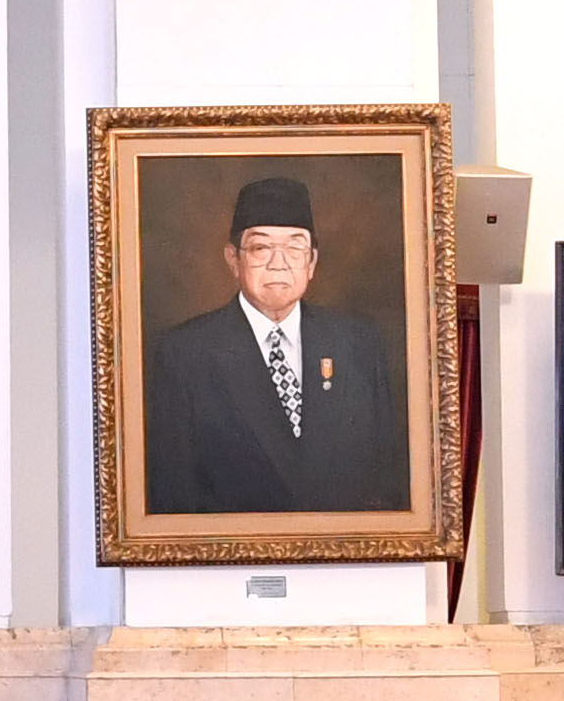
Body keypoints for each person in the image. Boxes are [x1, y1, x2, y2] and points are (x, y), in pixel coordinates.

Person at [144, 172, 407, 515]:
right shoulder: (185, 353)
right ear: (233, 259)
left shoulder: (357, 343)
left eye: (295, 247)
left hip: (341, 560)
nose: (278, 263)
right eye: (261, 247)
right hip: (231, 561)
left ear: (311, 261)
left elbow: (386, 474)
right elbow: (173, 493)